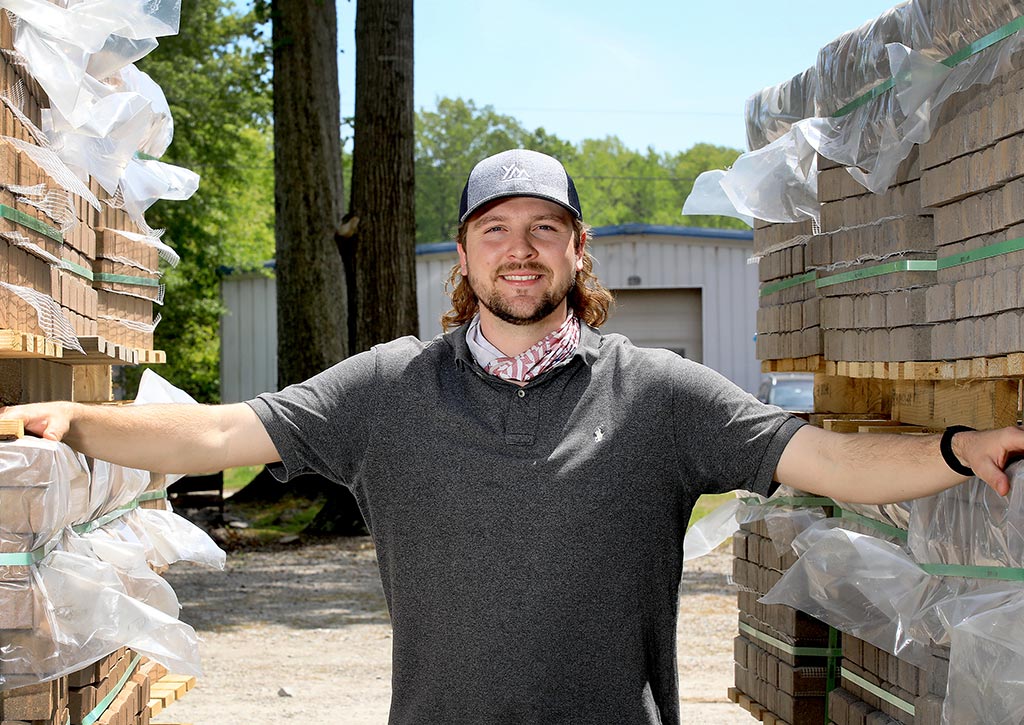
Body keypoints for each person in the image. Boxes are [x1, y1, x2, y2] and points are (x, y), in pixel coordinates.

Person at [3, 148, 1024, 725]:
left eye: (545, 227)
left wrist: (952, 449)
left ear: (579, 249)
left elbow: (818, 458)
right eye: (495, 228)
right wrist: (82, 417)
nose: (520, 250)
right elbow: (223, 428)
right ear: (465, 256)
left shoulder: (660, 393)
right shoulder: (387, 386)